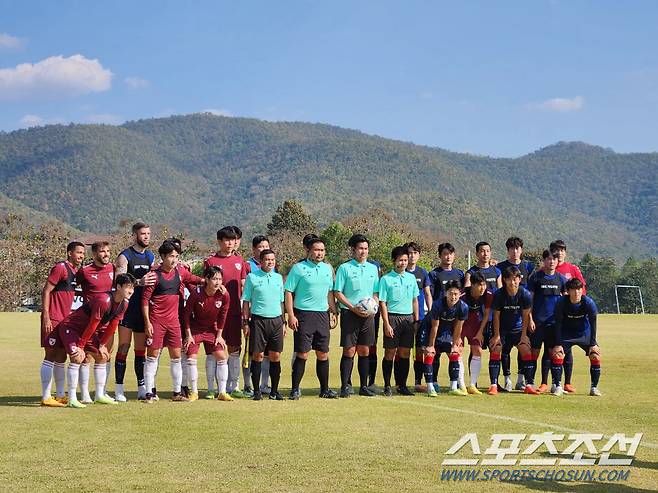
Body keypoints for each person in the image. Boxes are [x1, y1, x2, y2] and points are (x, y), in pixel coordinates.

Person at [46, 273, 136, 408]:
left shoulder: (124, 304)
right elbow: (93, 324)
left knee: (102, 357)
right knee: (77, 357)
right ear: (118, 287)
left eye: (133, 288)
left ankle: (99, 395)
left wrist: (101, 345)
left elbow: (113, 326)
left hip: (86, 331)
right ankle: (72, 398)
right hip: (71, 328)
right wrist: (81, 346)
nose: (131, 291)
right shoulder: (104, 300)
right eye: (128, 287)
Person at [142, 240, 204, 403]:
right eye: (171, 256)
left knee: (176, 356)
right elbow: (145, 301)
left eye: (176, 256)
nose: (174, 259)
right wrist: (147, 322)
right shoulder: (154, 276)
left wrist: (212, 281)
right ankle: (149, 393)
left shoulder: (180, 273)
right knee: (152, 356)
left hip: (174, 323)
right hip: (156, 322)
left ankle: (177, 392)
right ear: (162, 256)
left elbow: (195, 279)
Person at [285, 237, 338, 399]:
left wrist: (333, 312)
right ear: (308, 251)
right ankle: (295, 389)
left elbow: (330, 293)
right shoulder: (298, 268)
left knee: (323, 353)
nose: (319, 253)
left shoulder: (327, 269)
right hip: (303, 315)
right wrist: (291, 315)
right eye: (316, 250)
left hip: (322, 315)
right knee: (303, 354)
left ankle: (324, 390)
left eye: (322, 250)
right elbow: (288, 292)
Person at [39, 241, 86, 407]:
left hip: (65, 322)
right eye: (78, 252)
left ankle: (59, 395)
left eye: (83, 253)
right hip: (53, 318)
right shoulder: (60, 268)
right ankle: (46, 396)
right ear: (69, 253)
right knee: (50, 355)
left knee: (61, 356)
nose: (81, 256)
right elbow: (46, 290)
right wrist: (46, 316)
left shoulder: (75, 271)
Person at [204, 227, 249, 398]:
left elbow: (244, 286)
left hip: (235, 312)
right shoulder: (211, 261)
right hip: (215, 313)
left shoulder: (240, 261)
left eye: (233, 239)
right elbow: (205, 285)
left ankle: (234, 386)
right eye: (227, 240)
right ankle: (212, 388)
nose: (230, 243)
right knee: (215, 350)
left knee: (235, 349)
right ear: (219, 241)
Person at [114, 222, 156, 401]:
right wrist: (139, 283)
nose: (146, 236)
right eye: (143, 234)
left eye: (148, 233)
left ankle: (141, 388)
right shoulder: (125, 256)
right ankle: (119, 388)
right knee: (124, 347)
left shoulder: (150, 256)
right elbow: (119, 279)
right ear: (134, 235)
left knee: (141, 351)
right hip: (126, 310)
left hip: (143, 310)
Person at [333, 234, 380, 397]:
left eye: (366, 249)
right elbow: (337, 292)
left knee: (365, 350)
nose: (363, 252)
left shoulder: (373, 269)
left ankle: (364, 387)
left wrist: (373, 306)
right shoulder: (344, 268)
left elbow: (375, 292)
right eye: (360, 248)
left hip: (368, 316)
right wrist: (353, 308)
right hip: (350, 314)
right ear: (353, 250)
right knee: (349, 350)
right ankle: (345, 386)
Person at [242, 249, 286, 401]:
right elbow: (246, 301)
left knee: (275, 355)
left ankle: (274, 391)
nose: (270, 262)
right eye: (267, 259)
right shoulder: (252, 277)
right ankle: (256, 391)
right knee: (258, 355)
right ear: (260, 261)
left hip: (276, 321)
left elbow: (281, 302)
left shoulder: (278, 278)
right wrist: (245, 323)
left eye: (272, 259)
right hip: (258, 320)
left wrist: (283, 322)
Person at [182, 266, 232, 401]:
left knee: (222, 357)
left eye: (220, 279)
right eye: (215, 279)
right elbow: (186, 315)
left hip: (212, 329)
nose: (218, 282)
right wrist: (188, 335)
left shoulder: (224, 295)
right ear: (207, 279)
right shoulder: (196, 293)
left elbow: (223, 316)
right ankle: (194, 392)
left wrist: (219, 335)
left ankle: (222, 392)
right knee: (191, 358)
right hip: (195, 329)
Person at [76, 240, 116, 403]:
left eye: (108, 251)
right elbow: (70, 286)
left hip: (108, 321)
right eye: (102, 251)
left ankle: (101, 392)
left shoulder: (114, 269)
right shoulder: (85, 271)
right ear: (94, 254)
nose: (106, 254)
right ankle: (85, 394)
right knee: (86, 358)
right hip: (90, 321)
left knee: (106, 355)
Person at [378, 246, 419, 396]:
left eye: (405, 260)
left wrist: (416, 320)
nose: (403, 263)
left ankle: (402, 385)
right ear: (394, 261)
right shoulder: (386, 279)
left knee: (405, 353)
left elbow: (415, 299)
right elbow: (382, 302)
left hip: (408, 319)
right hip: (393, 318)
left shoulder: (411, 278)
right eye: (400, 260)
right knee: (390, 352)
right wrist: (387, 323)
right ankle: (387, 385)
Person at [496, 237, 536, 391]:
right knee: (504, 350)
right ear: (508, 251)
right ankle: (507, 380)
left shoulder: (528, 267)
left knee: (523, 346)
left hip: (522, 318)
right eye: (511, 249)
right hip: (505, 315)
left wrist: (531, 317)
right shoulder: (500, 267)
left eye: (517, 248)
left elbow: (529, 297)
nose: (515, 251)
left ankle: (521, 379)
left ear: (521, 250)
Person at [550, 278, 601, 397]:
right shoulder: (561, 302)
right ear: (568, 291)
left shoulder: (588, 303)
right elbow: (558, 323)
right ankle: (558, 386)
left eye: (579, 289)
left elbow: (593, 324)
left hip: (584, 333)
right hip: (566, 333)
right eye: (573, 290)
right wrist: (558, 343)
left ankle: (594, 387)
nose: (577, 292)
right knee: (558, 354)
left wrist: (593, 344)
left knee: (595, 355)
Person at [487, 266, 534, 395]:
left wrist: (524, 335)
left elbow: (525, 315)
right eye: (509, 279)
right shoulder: (499, 294)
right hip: (502, 329)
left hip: (518, 329)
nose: (512, 282)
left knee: (525, 348)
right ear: (505, 280)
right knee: (496, 348)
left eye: (515, 279)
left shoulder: (525, 294)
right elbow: (496, 315)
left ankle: (529, 384)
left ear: (519, 279)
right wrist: (496, 335)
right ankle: (494, 385)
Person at [550, 239, 587, 393]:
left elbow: (582, 288)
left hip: (571, 315)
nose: (559, 253)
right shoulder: (548, 268)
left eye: (562, 250)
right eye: (556, 250)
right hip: (552, 316)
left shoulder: (572, 269)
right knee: (552, 349)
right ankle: (552, 383)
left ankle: (568, 383)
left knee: (568, 350)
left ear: (565, 252)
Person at [526, 250, 566, 393]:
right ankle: (529, 383)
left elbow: (565, 301)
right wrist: (530, 319)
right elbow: (529, 301)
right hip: (537, 323)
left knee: (552, 354)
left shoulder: (561, 279)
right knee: (534, 354)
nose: (552, 261)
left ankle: (551, 383)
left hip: (553, 325)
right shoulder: (536, 278)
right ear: (544, 261)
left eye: (554, 259)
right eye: (548, 259)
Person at [422, 280, 469, 396]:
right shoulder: (437, 305)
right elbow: (434, 326)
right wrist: (431, 345)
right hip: (429, 331)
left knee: (454, 353)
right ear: (445, 293)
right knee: (430, 354)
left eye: (456, 294)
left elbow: (458, 327)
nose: (453, 297)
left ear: (460, 294)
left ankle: (453, 387)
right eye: (451, 293)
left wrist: (454, 345)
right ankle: (430, 387)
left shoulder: (463, 307)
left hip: (447, 332)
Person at [245, 235, 274, 394]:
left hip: (271, 318)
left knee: (268, 353)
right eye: (260, 247)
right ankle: (247, 384)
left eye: (266, 246)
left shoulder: (272, 265)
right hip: (254, 317)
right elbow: (246, 296)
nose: (263, 249)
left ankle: (265, 384)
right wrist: (246, 318)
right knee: (252, 353)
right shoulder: (248, 266)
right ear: (254, 249)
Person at [459, 272, 493, 394]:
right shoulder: (462, 295)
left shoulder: (488, 295)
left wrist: (480, 332)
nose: (483, 288)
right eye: (479, 285)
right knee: (458, 351)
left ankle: (472, 385)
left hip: (475, 324)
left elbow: (487, 314)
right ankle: (461, 384)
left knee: (477, 350)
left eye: (484, 285)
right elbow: (458, 316)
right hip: (461, 323)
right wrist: (457, 335)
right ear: (472, 285)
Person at [405, 242, 433, 392]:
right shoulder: (401, 272)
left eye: (415, 253)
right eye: (409, 253)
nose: (412, 256)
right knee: (402, 349)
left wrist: (431, 312)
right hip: (403, 316)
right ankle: (399, 381)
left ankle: (417, 381)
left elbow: (428, 294)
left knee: (420, 350)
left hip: (421, 318)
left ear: (419, 255)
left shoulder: (422, 273)